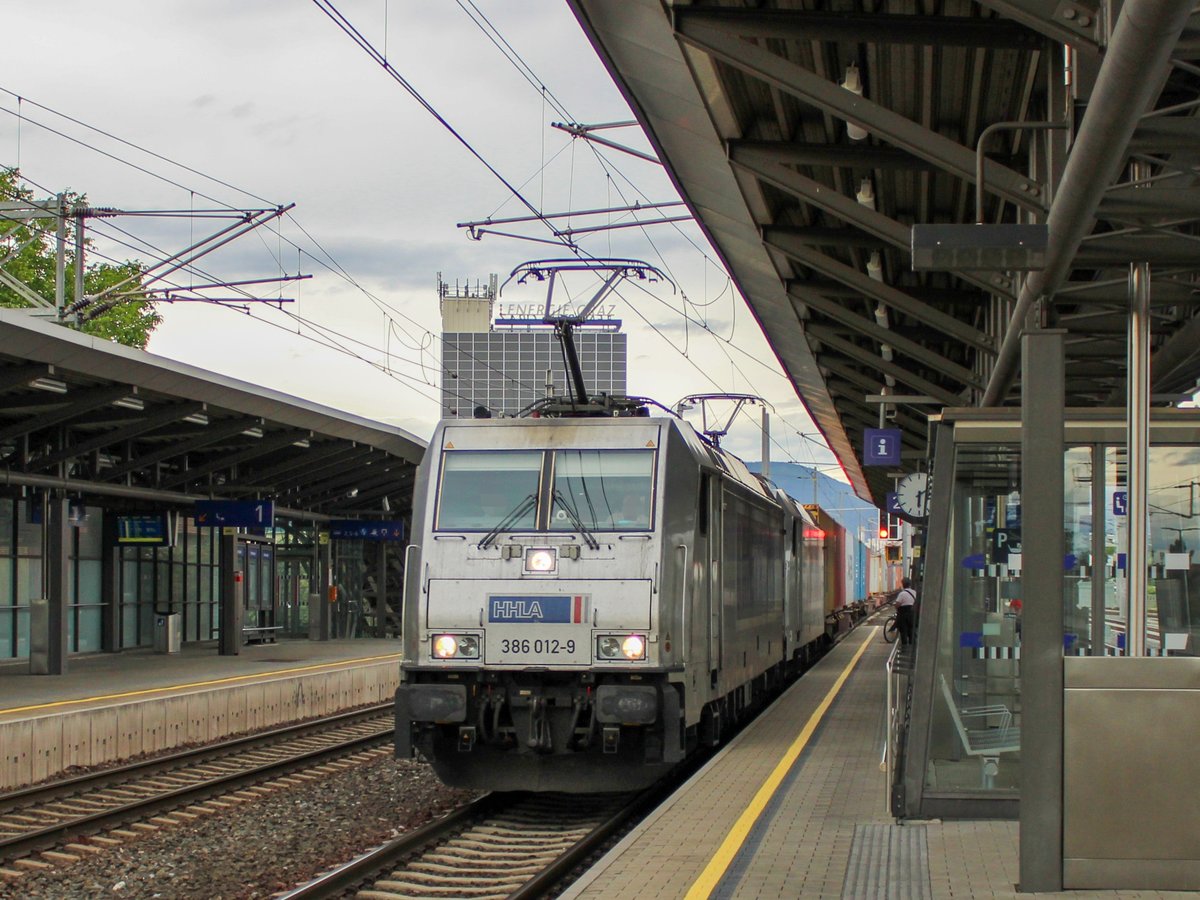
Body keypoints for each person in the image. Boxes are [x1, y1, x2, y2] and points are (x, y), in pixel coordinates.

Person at [895, 577, 917, 647]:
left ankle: (904, 646)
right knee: (911, 630)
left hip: (903, 614)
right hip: (912, 613)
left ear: (903, 585)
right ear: (910, 584)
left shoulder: (902, 594)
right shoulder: (914, 592)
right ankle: (912, 645)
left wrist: (896, 606)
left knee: (903, 631)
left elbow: (897, 604)